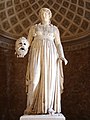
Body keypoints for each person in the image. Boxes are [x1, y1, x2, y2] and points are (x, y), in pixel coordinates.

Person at [23, 8, 68, 115]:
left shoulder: (54, 29)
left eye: (46, 13)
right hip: (36, 53)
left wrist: (62, 56)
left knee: (50, 81)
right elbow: (28, 42)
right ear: (39, 15)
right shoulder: (34, 28)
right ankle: (30, 106)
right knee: (34, 80)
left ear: (49, 15)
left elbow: (58, 43)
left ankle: (49, 107)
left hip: (51, 55)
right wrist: (22, 51)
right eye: (41, 13)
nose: (43, 15)